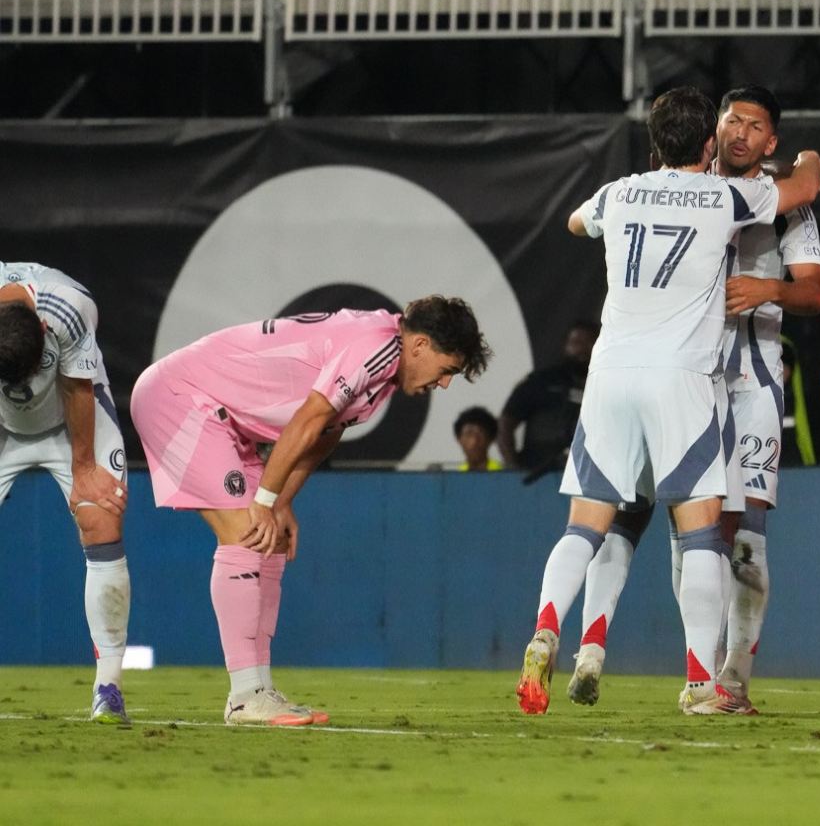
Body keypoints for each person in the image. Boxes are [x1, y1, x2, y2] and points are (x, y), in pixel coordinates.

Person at [515, 86, 820, 716]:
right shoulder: (728, 196)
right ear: (710, 138)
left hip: (612, 373)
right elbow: (805, 185)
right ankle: (701, 681)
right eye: (729, 122)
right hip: (684, 379)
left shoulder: (620, 190)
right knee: (705, 534)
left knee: (586, 524)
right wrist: (811, 161)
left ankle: (548, 629)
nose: (739, 132)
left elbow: (577, 220)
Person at [130, 296, 489, 725]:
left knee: (272, 539)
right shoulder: (374, 347)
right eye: (446, 369)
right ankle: (245, 696)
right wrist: (263, 502)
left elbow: (322, 436)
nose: (444, 383)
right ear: (420, 346)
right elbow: (307, 419)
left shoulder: (384, 370)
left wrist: (280, 503)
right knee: (247, 532)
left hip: (224, 419)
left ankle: (258, 689)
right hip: (181, 399)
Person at [0, 262, 132, 724]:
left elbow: (77, 389)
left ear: (41, 328)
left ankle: (108, 687)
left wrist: (84, 470)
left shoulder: (68, 309)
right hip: (2, 424)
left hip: (69, 418)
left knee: (101, 516)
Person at [498, 319, 598, 482]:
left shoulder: (610, 387)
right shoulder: (541, 381)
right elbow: (506, 423)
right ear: (565, 346)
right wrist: (513, 467)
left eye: (589, 343)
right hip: (538, 475)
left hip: (588, 478)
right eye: (576, 342)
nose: (582, 349)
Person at [453, 405, 505, 471]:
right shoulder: (455, 476)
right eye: (469, 434)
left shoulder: (501, 473)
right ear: (459, 439)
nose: (474, 441)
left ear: (491, 439)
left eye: (480, 434)